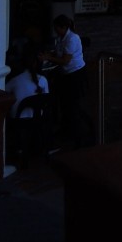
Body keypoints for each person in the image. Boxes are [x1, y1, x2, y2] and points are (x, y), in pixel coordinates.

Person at [41, 14, 91, 149]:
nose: (55, 30)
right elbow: (59, 55)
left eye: (57, 27)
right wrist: (50, 55)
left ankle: (79, 135)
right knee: (65, 103)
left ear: (63, 27)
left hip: (75, 74)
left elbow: (65, 60)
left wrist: (48, 58)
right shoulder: (61, 38)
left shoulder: (72, 39)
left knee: (73, 104)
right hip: (66, 74)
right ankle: (69, 130)